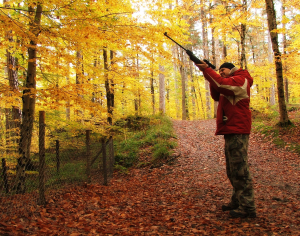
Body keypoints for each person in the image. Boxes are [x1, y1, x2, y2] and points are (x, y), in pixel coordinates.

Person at [195, 61, 256, 218]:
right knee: (232, 169)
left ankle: (247, 207)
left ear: (232, 69)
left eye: (223, 70)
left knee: (240, 169)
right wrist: (207, 73)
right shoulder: (230, 82)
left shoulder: (241, 80)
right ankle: (237, 201)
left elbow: (221, 85)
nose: (221, 73)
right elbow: (216, 93)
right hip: (231, 129)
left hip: (238, 129)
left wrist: (208, 70)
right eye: (219, 71)